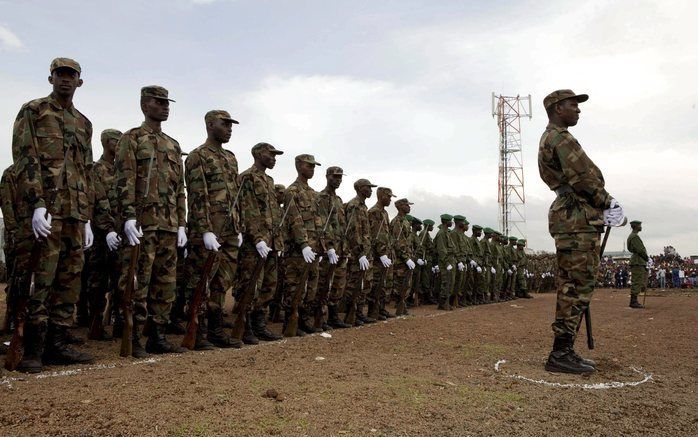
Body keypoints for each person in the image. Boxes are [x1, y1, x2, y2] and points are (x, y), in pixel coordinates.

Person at [11, 58, 95, 373]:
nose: (65, 80)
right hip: (46, 210)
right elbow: (25, 156)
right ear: (51, 78)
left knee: (70, 278)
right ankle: (32, 347)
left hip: (75, 212)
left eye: (71, 76)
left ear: (79, 82)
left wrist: (87, 216)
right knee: (41, 277)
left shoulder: (84, 123)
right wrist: (36, 203)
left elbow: (86, 170)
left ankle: (58, 342)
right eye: (60, 75)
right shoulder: (33, 111)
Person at [538, 89, 625, 374]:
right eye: (572, 104)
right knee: (576, 286)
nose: (578, 109)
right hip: (576, 216)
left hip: (574, 215)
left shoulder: (555, 136)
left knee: (573, 285)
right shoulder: (560, 138)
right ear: (556, 108)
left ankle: (563, 349)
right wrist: (608, 202)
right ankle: (561, 352)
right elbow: (583, 178)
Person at [114, 85, 188, 356]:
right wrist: (129, 217)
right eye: (160, 102)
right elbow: (124, 180)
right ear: (145, 105)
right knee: (138, 281)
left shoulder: (173, 144)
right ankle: (132, 336)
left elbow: (180, 189)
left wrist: (182, 222)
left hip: (168, 224)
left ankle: (157, 335)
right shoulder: (131, 139)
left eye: (167, 103)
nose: (166, 107)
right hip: (143, 224)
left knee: (165, 283)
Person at [184, 110, 245, 349]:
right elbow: (198, 195)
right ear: (210, 125)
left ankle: (216, 329)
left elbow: (234, 196)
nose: (229, 129)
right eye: (225, 124)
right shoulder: (197, 156)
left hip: (229, 230)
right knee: (201, 280)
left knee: (222, 281)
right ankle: (197, 331)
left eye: (231, 125)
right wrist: (205, 229)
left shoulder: (230, 158)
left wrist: (238, 226)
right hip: (209, 230)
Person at [237, 143, 286, 341]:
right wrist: (257, 239)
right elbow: (246, 210)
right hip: (254, 242)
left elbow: (273, 214)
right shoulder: (247, 177)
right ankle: (245, 325)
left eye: (276, 155)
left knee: (269, 285)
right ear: (258, 153)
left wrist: (278, 241)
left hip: (272, 242)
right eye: (271, 154)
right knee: (250, 284)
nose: (274, 158)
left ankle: (259, 324)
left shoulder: (269, 180)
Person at [281, 154, 325, 336]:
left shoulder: (313, 193)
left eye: (314, 166)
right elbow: (294, 220)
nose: (312, 169)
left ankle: (303, 319)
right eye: (309, 166)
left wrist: (321, 245)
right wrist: (303, 244)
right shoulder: (292, 191)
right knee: (294, 285)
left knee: (311, 285)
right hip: (298, 249)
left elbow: (318, 222)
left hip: (313, 248)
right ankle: (291, 321)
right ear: (298, 166)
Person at [85, 128, 123, 340]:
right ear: (107, 142)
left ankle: (119, 320)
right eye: (117, 141)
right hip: (101, 235)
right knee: (97, 281)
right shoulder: (96, 169)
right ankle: (96, 322)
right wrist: (107, 229)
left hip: (121, 234)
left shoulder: (122, 171)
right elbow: (98, 202)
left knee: (121, 279)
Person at [315, 166, 352, 329]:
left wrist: (345, 248)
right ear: (327, 176)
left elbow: (342, 227)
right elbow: (322, 224)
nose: (338, 180)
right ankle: (318, 316)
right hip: (328, 249)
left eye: (340, 177)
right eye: (335, 177)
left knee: (338, 283)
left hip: (341, 249)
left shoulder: (338, 201)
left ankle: (333, 315)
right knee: (324, 282)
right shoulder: (321, 198)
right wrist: (329, 248)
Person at [343, 178, 376, 325]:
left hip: (365, 252)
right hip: (358, 253)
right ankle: (351, 312)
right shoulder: (354, 205)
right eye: (367, 187)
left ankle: (359, 312)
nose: (370, 190)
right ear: (359, 188)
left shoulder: (363, 206)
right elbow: (353, 231)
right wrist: (360, 252)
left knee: (365, 283)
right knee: (354, 283)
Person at [367, 187, 394, 320]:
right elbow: (375, 235)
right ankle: (373, 310)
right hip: (377, 255)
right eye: (388, 197)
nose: (390, 199)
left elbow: (386, 235)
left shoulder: (384, 213)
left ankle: (380, 308)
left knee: (383, 283)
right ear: (381, 196)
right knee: (376, 282)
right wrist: (381, 253)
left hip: (385, 254)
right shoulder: (374, 212)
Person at [433, 214, 456, 310]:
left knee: (450, 282)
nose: (452, 222)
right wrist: (446, 263)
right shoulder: (442, 233)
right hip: (445, 261)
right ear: (446, 222)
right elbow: (442, 250)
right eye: (450, 221)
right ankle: (443, 303)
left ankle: (445, 302)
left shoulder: (446, 232)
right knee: (446, 282)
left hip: (450, 259)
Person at [626, 220, 648, 308]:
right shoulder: (634, 237)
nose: (641, 227)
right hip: (638, 261)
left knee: (638, 280)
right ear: (636, 226)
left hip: (638, 260)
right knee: (637, 281)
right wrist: (646, 257)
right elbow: (640, 250)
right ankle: (633, 302)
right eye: (640, 225)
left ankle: (634, 300)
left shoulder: (633, 236)